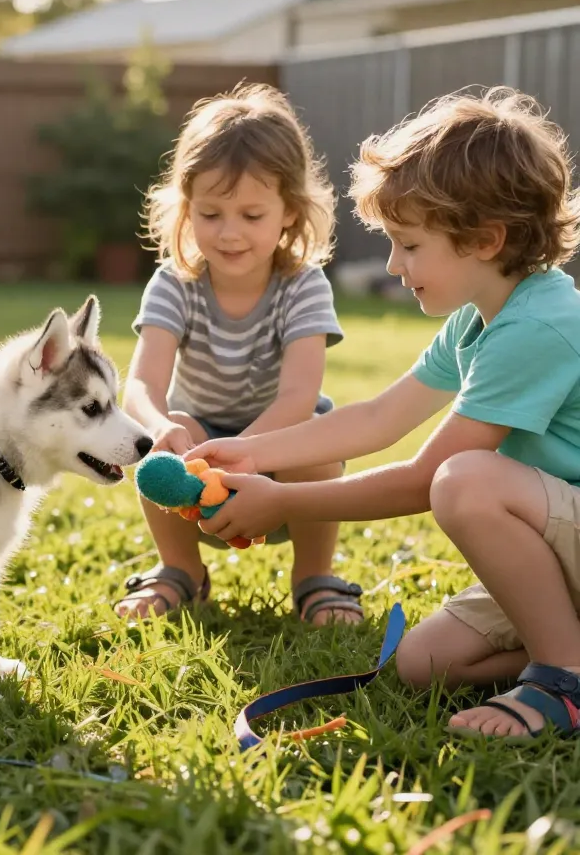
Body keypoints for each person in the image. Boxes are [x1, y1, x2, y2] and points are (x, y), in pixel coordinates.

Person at [188, 86, 580, 740]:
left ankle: (563, 678)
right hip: (563, 547)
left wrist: (281, 503)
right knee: (424, 662)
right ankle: (566, 648)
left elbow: (428, 479)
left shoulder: (540, 324)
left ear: (485, 239)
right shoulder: (477, 319)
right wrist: (252, 456)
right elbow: (376, 417)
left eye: (409, 245)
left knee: (465, 480)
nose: (394, 266)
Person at [115, 82, 358, 626]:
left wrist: (244, 455)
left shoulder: (303, 286)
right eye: (210, 213)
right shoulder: (175, 283)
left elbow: (299, 397)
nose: (228, 234)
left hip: (280, 444)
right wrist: (162, 429)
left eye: (251, 215)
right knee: (160, 450)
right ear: (186, 208)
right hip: (199, 445)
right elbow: (141, 387)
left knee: (318, 449)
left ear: (290, 212)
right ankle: (181, 570)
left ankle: (314, 577)